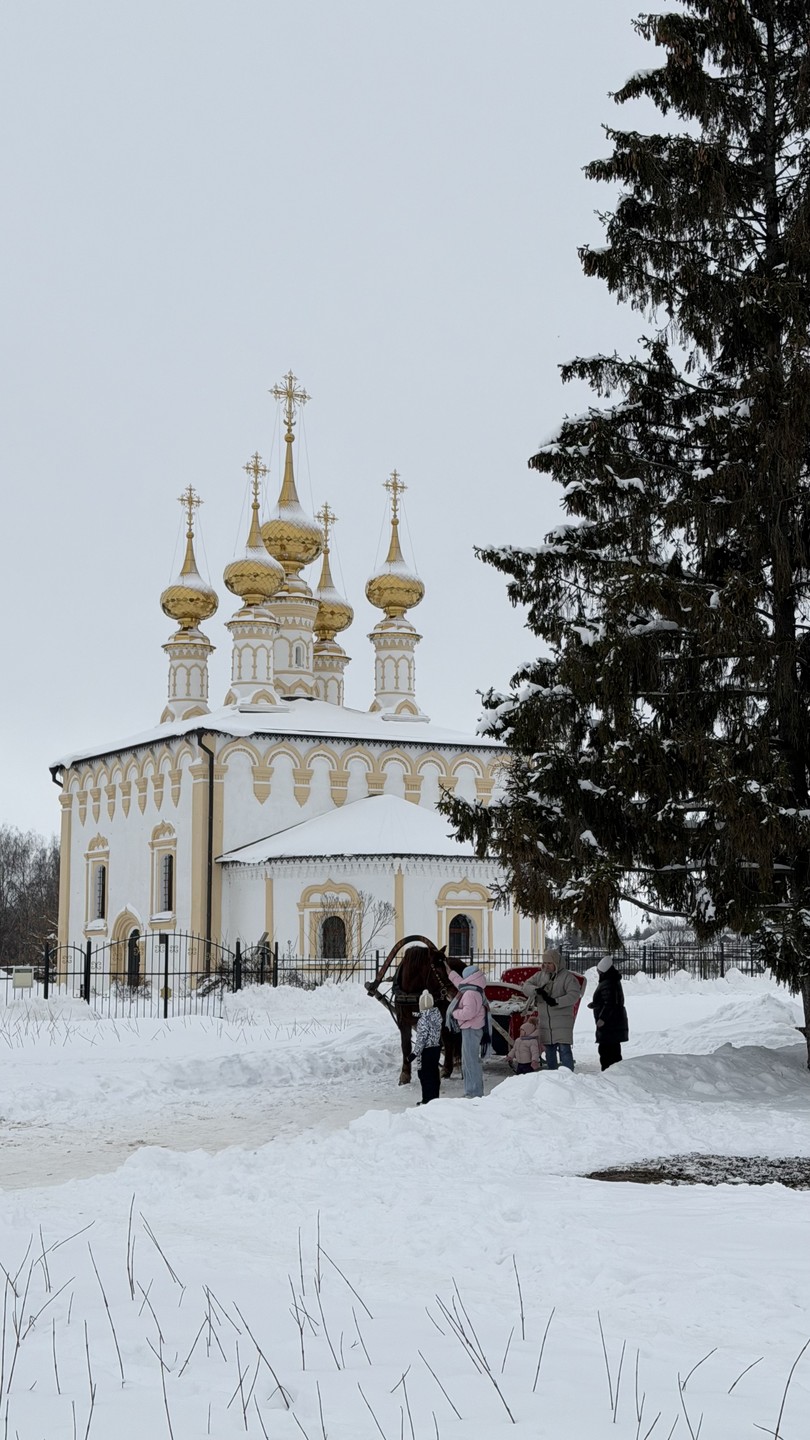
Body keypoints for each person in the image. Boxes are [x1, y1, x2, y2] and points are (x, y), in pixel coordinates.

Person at [522, 949, 582, 1071]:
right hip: (545, 1021)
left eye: (549, 963)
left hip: (562, 1020)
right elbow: (526, 986)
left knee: (564, 1049)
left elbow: (574, 995)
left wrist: (557, 1001)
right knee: (549, 1050)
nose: (546, 966)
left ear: (556, 963)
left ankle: (568, 1075)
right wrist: (536, 990)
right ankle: (553, 1075)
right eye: (544, 963)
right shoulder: (540, 976)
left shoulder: (567, 977)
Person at [445, 962, 490, 1098]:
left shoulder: (470, 993)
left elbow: (468, 1013)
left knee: (470, 1062)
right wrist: (449, 972)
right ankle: (473, 1090)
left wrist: (454, 1013)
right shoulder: (473, 987)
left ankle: (473, 1092)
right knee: (469, 1061)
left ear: (469, 978)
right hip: (473, 1028)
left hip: (471, 1029)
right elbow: (459, 982)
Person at [588, 955, 629, 1069]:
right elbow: (610, 1000)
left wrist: (602, 1018)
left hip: (609, 1024)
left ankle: (608, 1074)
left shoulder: (608, 983)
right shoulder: (612, 981)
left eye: (599, 971)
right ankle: (613, 1072)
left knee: (606, 1051)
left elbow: (610, 1003)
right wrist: (596, 1004)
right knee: (613, 1050)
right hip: (614, 1023)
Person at [412, 988, 442, 1103]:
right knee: (434, 1073)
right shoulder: (436, 1016)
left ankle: (427, 1099)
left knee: (425, 1075)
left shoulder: (422, 1021)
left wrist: (414, 1053)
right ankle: (435, 1098)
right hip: (436, 1048)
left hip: (426, 1051)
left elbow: (421, 1039)